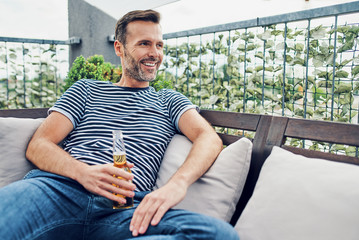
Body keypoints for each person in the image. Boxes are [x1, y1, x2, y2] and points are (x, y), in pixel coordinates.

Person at [0, 10, 239, 239]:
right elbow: (39, 145)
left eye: (159, 45)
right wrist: (83, 173)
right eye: (144, 43)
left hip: (125, 210)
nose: (154, 53)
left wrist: (177, 184)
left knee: (216, 235)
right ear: (119, 48)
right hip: (58, 192)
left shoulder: (168, 101)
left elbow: (208, 138)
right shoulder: (86, 90)